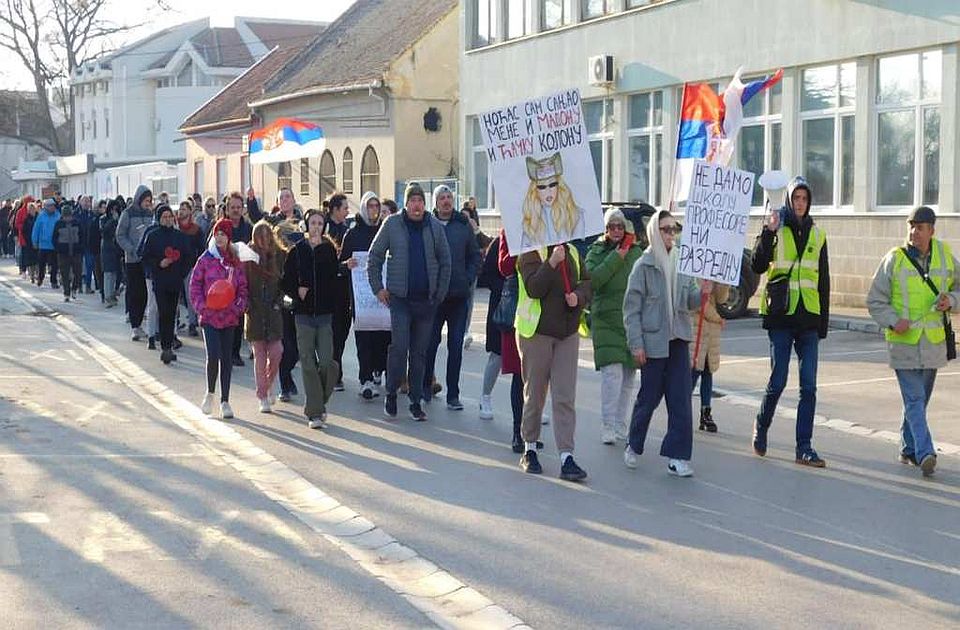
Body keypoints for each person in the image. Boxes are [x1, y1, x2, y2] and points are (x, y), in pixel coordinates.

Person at [866, 206, 959, 477]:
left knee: (919, 401)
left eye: (919, 227)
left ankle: (907, 446)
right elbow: (874, 300)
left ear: (932, 230)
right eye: (911, 226)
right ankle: (925, 452)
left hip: (932, 343)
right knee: (915, 398)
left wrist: (950, 300)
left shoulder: (944, 255)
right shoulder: (894, 259)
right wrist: (894, 320)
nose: (913, 232)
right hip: (903, 341)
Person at [750, 176, 830, 467]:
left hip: (808, 318)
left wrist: (823, 323)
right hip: (781, 316)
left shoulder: (818, 235)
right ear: (788, 200)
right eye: (795, 199)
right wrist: (768, 232)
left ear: (809, 203)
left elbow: (824, 281)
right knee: (778, 380)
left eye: (804, 199)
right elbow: (757, 265)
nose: (800, 204)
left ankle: (804, 447)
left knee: (809, 386)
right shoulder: (775, 225)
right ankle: (762, 423)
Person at [622, 210, 706, 478]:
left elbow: (690, 299)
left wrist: (704, 293)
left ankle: (677, 456)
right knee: (648, 398)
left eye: (674, 229)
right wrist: (636, 344)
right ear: (654, 233)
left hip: (678, 340)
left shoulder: (682, 261)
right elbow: (631, 310)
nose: (671, 234)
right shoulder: (643, 265)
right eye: (666, 229)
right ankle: (634, 444)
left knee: (680, 400)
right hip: (653, 342)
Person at [367, 182, 451, 422]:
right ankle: (391, 393)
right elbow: (374, 258)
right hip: (400, 300)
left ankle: (415, 400)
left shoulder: (433, 226)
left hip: (426, 302)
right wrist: (378, 289)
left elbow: (446, 261)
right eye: (413, 200)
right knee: (400, 347)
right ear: (406, 203)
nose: (417, 205)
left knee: (419, 353)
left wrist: (440, 293)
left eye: (421, 201)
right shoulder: (392, 224)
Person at [515, 235, 592, 481]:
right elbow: (534, 288)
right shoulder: (530, 251)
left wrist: (578, 297)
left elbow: (587, 283)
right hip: (537, 333)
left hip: (567, 333)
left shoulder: (571, 250)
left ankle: (566, 456)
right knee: (535, 393)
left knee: (564, 396)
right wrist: (551, 263)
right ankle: (529, 447)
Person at [585, 208, 643, 445]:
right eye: (612, 227)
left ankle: (621, 423)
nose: (617, 231)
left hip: (630, 320)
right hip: (605, 320)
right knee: (613, 374)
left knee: (629, 375)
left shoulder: (637, 251)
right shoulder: (596, 251)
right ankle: (607, 425)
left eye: (620, 226)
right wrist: (615, 257)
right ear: (606, 230)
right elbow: (593, 279)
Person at [423, 185, 480, 409]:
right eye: (442, 198)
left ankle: (453, 395)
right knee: (430, 344)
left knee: (456, 346)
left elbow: (475, 256)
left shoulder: (462, 224)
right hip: (435, 297)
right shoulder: (428, 224)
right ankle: (426, 387)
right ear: (435, 202)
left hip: (458, 297)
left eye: (449, 197)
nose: (446, 201)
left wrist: (467, 278)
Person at [285, 209, 341, 429]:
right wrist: (296, 289)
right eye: (313, 223)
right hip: (303, 315)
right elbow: (285, 280)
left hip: (325, 315)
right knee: (308, 362)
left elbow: (335, 281)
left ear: (324, 227)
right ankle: (314, 413)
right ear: (307, 226)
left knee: (327, 362)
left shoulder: (329, 251)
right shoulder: (297, 251)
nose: (316, 226)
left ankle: (318, 402)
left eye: (320, 223)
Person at [190, 218, 248, 419]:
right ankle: (210, 392)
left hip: (229, 317)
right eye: (217, 234)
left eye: (224, 234)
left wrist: (238, 307)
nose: (220, 237)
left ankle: (225, 400)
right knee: (213, 354)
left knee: (226, 358)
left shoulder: (234, 261)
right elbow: (195, 285)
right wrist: (201, 307)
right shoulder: (205, 260)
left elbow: (242, 288)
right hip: (209, 317)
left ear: (229, 238)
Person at [341, 192, 391, 400]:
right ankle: (365, 379)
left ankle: (378, 369)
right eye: (369, 206)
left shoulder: (385, 231)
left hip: (382, 293)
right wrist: (347, 264)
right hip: (361, 297)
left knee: (383, 336)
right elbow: (342, 261)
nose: (373, 210)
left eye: (376, 206)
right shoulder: (353, 234)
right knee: (364, 337)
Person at [141, 204, 192, 364]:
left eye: (170, 216)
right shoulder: (153, 236)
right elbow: (145, 257)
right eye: (164, 217)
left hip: (175, 280)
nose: (168, 220)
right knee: (163, 312)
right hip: (160, 280)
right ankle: (165, 347)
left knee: (172, 313)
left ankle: (169, 344)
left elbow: (188, 256)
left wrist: (181, 272)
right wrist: (158, 264)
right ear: (159, 219)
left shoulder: (180, 236)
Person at [246, 220, 286, 413]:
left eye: (266, 236)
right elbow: (241, 283)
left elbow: (284, 283)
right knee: (259, 357)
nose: (263, 240)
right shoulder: (248, 256)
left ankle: (269, 384)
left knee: (277, 352)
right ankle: (262, 395)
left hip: (273, 311)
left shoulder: (278, 256)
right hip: (254, 312)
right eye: (259, 237)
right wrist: (246, 304)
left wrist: (279, 302)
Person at [274, 190, 305, 402]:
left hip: (300, 300)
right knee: (288, 346)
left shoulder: (301, 247)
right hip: (282, 300)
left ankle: (287, 378)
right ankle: (284, 383)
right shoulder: (275, 249)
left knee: (299, 348)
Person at [520, 153, 586, 251]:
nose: (548, 191)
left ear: (559, 186)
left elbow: (578, 251)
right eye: (542, 187)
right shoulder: (531, 222)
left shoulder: (576, 215)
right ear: (535, 191)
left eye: (552, 185)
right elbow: (525, 254)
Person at [116, 186, 155, 341]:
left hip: (147, 261)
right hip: (132, 260)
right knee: (134, 293)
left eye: (150, 201)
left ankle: (140, 323)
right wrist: (131, 249)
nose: (148, 203)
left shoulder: (150, 214)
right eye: (146, 200)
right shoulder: (128, 214)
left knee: (145, 293)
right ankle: (134, 325)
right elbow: (120, 235)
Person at [690, 281, 730, 432]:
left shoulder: (714, 274)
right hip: (697, 328)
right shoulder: (696, 273)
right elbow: (699, 303)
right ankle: (682, 412)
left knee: (708, 371)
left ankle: (706, 412)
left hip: (711, 332)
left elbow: (721, 299)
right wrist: (717, 318)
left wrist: (724, 283)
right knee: (693, 372)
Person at [324, 193, 352, 391]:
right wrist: (342, 264)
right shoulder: (323, 227)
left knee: (343, 330)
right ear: (334, 209)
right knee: (332, 332)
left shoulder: (347, 230)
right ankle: (335, 373)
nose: (347, 211)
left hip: (345, 289)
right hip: (329, 288)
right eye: (344, 208)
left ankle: (335, 366)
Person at [224, 192, 253, 366]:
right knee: (225, 315)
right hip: (223, 278)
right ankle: (225, 351)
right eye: (232, 207)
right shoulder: (220, 226)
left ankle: (235, 352)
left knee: (239, 315)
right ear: (227, 209)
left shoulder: (248, 228)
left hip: (242, 277)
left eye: (238, 207)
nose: (236, 210)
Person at [176, 200, 206, 336]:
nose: (181, 211)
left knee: (190, 296)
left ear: (190, 211)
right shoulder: (175, 228)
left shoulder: (196, 230)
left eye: (184, 208)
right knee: (175, 296)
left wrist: (198, 265)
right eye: (180, 208)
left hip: (190, 266)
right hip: (174, 266)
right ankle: (175, 322)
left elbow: (201, 248)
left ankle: (192, 323)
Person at [51, 204, 83, 302]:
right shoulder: (58, 224)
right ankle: (66, 293)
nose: (68, 218)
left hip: (76, 252)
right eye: (66, 216)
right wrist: (59, 248)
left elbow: (82, 236)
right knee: (64, 274)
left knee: (78, 273)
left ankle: (74, 288)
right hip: (63, 254)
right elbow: (54, 238)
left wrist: (80, 247)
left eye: (69, 216)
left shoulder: (77, 223)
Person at [32, 199, 61, 289]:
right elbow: (36, 229)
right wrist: (34, 241)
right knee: (41, 264)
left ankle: (53, 281)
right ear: (46, 207)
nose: (52, 207)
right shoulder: (41, 216)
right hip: (43, 244)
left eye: (53, 206)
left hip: (54, 244)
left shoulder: (58, 216)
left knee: (54, 265)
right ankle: (40, 278)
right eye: (50, 206)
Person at [100, 198, 123, 308]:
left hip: (117, 249)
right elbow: (103, 232)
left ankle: (113, 293)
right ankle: (107, 295)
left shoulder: (121, 219)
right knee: (108, 273)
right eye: (112, 209)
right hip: (107, 248)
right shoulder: (104, 219)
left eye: (116, 209)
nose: (114, 211)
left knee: (115, 273)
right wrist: (112, 221)